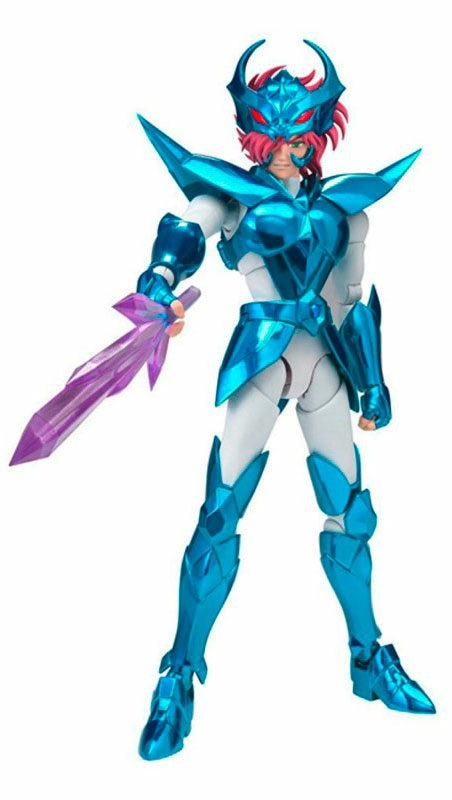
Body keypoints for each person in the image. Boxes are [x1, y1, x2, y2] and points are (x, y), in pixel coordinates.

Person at [135, 39, 435, 761]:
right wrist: (158, 282)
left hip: (325, 366)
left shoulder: (344, 211)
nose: (286, 151)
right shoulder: (231, 196)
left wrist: (373, 381)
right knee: (219, 515)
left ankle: (369, 659)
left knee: (351, 515)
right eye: (273, 140)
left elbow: (352, 299)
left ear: (319, 132)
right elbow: (188, 228)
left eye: (298, 138)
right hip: (262, 361)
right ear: (254, 137)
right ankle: (178, 677)